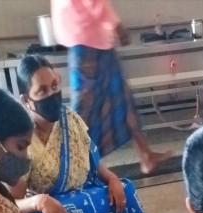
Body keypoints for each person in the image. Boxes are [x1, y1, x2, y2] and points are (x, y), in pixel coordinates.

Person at [11, 55, 147, 213]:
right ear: (26, 100)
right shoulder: (22, 139)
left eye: (55, 86)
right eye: (42, 91)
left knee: (125, 191)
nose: (52, 94)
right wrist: (40, 201)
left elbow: (96, 164)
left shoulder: (69, 118)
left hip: (86, 198)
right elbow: (12, 205)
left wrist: (112, 179)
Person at [50, 0, 171, 173]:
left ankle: (146, 155)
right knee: (84, 109)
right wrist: (116, 24)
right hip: (86, 41)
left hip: (92, 39)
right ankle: (71, 168)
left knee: (122, 97)